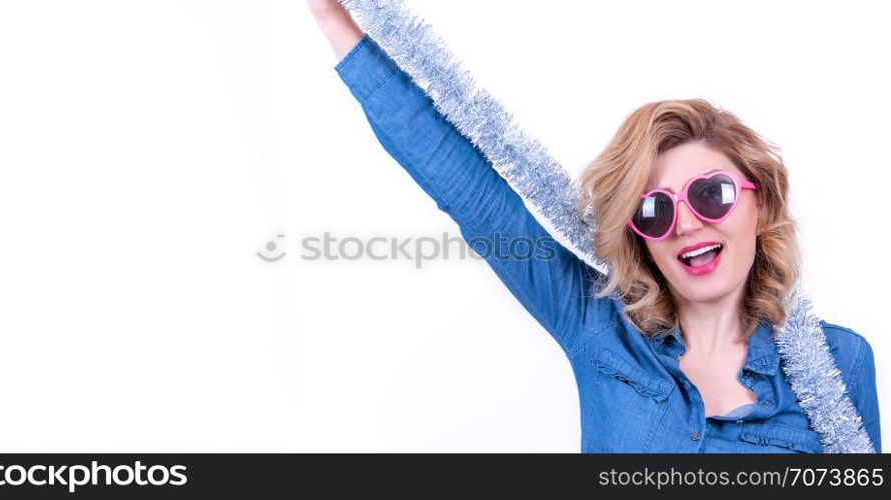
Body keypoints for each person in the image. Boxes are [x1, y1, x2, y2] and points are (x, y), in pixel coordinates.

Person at [307, 0, 880, 453]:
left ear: (760, 203)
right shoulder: (598, 326)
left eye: (711, 195)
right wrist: (332, 16)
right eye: (654, 210)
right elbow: (468, 192)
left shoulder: (841, 363)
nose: (684, 224)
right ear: (640, 237)